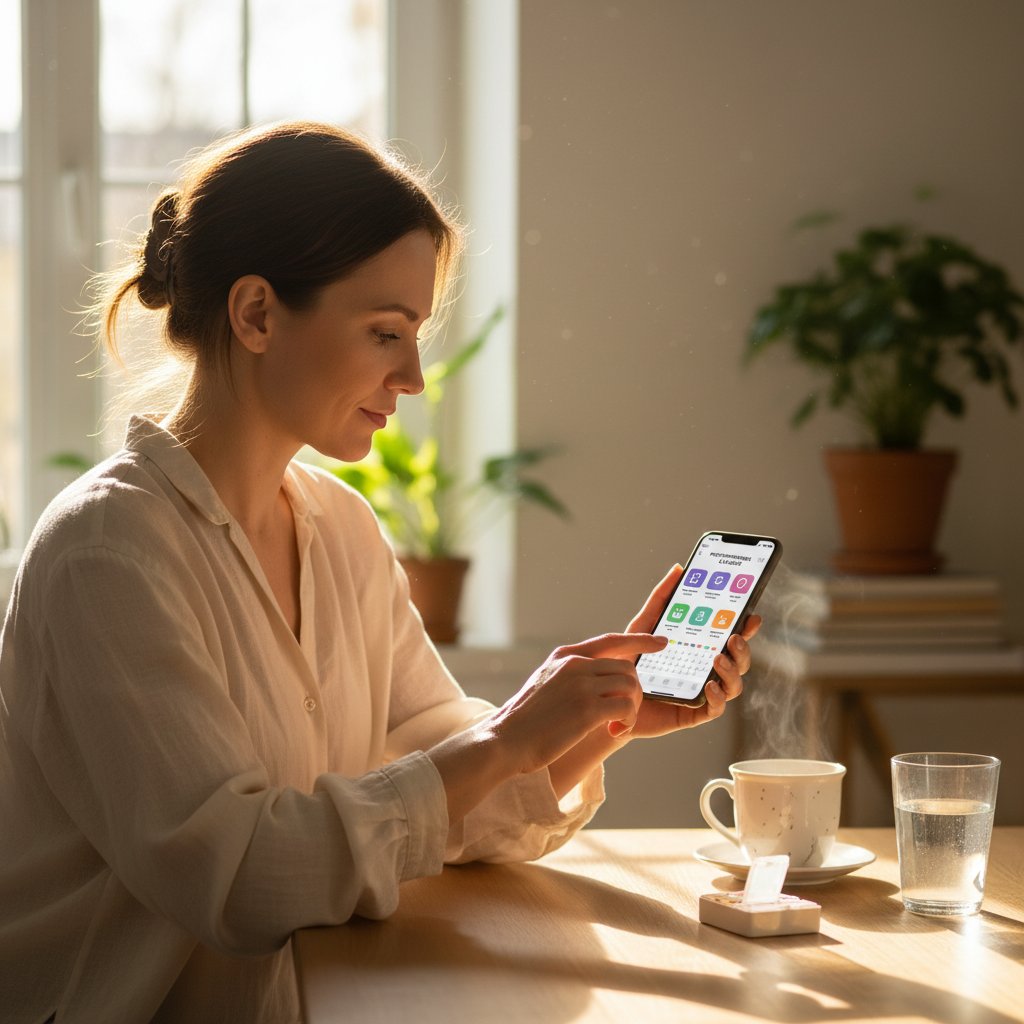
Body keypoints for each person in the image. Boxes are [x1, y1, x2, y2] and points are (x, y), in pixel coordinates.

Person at [0, 121, 759, 1024]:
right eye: (385, 331)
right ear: (256, 314)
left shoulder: (340, 526)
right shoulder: (107, 552)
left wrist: (601, 721)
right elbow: (241, 879)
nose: (414, 377)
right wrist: (513, 734)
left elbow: (437, 799)